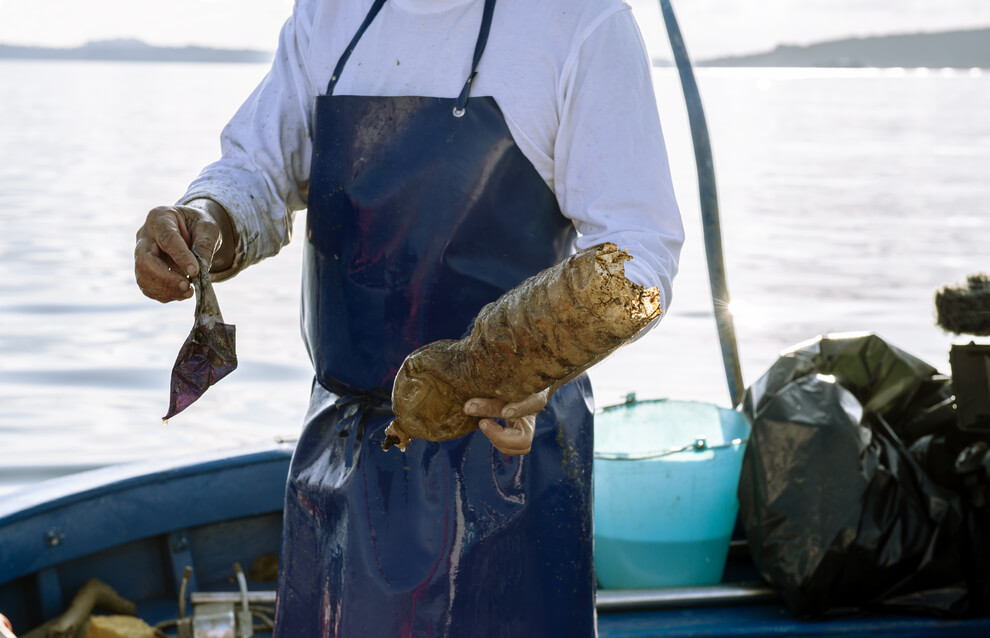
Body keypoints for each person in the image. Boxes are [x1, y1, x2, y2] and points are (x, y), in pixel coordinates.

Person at [134, 0, 683, 634]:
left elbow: (640, 254)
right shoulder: (329, 13)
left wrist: (521, 368)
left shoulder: (581, 19)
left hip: (509, 461)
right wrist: (206, 219)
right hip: (337, 459)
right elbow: (258, 168)